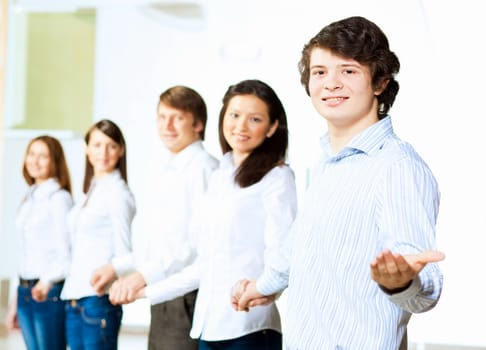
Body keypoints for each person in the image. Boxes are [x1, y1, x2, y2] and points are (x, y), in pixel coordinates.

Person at [232, 16, 445, 350]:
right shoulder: (328, 162)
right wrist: (262, 285)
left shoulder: (397, 167)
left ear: (380, 83)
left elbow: (423, 286)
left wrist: (403, 282)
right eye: (319, 72)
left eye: (348, 71)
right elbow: (300, 243)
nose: (330, 83)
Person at [111, 79, 297, 349]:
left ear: (271, 128)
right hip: (209, 327)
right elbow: (205, 263)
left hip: (249, 327)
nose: (240, 126)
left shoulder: (277, 177)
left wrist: (267, 288)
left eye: (254, 119)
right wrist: (147, 292)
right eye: (234, 115)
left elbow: (283, 252)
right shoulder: (222, 176)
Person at [108, 85, 218, 350]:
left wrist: (143, 274)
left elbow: (197, 244)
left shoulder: (203, 168)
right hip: (164, 291)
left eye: (178, 117)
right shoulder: (168, 168)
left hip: (185, 294)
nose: (167, 125)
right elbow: (163, 238)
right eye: (162, 117)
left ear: (198, 124)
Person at [61, 119, 136, 350]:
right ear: (87, 149)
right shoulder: (91, 191)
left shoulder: (118, 194)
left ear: (121, 150)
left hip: (97, 300)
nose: (103, 152)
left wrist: (113, 270)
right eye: (97, 145)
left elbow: (127, 254)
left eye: (111, 146)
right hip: (74, 298)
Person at [4, 135, 73, 350]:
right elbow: (27, 252)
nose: (35, 160)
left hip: (47, 291)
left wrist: (46, 282)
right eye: (32, 154)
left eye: (42, 156)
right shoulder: (30, 196)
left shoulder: (59, 199)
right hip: (26, 291)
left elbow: (67, 254)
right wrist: (16, 301)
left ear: (55, 161)